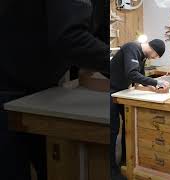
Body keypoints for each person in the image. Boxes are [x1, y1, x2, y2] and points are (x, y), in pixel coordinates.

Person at [0, 0, 109, 179]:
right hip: (8, 86)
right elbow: (70, 38)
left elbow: (100, 32)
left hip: (40, 88)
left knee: (54, 167)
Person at [110, 39, 170, 179]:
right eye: (156, 56)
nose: (154, 58)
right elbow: (132, 74)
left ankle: (126, 160)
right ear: (154, 50)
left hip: (123, 92)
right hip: (110, 90)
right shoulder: (132, 48)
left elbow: (137, 82)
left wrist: (154, 89)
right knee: (113, 130)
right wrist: (156, 81)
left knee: (128, 125)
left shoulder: (142, 57)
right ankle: (112, 170)